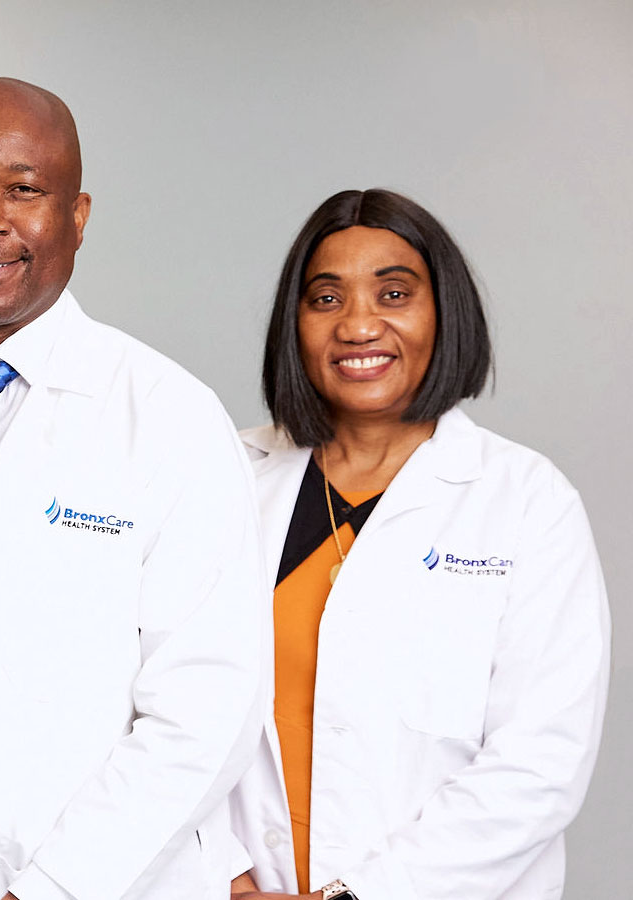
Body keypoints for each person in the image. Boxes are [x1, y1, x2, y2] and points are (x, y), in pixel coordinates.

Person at [0, 78, 269, 900]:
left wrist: (55, 889)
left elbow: (205, 709)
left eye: (23, 190)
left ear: (77, 216)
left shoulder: (169, 416)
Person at [225, 189, 610, 900]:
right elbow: (156, 702)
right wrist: (226, 877)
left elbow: (539, 763)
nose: (359, 325)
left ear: (443, 313)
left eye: (394, 293)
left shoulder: (527, 502)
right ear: (295, 323)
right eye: (326, 299)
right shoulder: (221, 477)